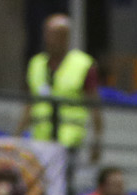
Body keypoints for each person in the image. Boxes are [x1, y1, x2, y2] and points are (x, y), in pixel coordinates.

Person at [21, 12, 102, 158]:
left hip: (69, 139)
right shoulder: (36, 64)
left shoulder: (83, 64)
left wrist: (96, 141)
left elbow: (95, 107)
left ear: (66, 37)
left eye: (55, 35)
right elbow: (29, 104)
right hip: (40, 138)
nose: (49, 39)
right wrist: (17, 135)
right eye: (47, 34)